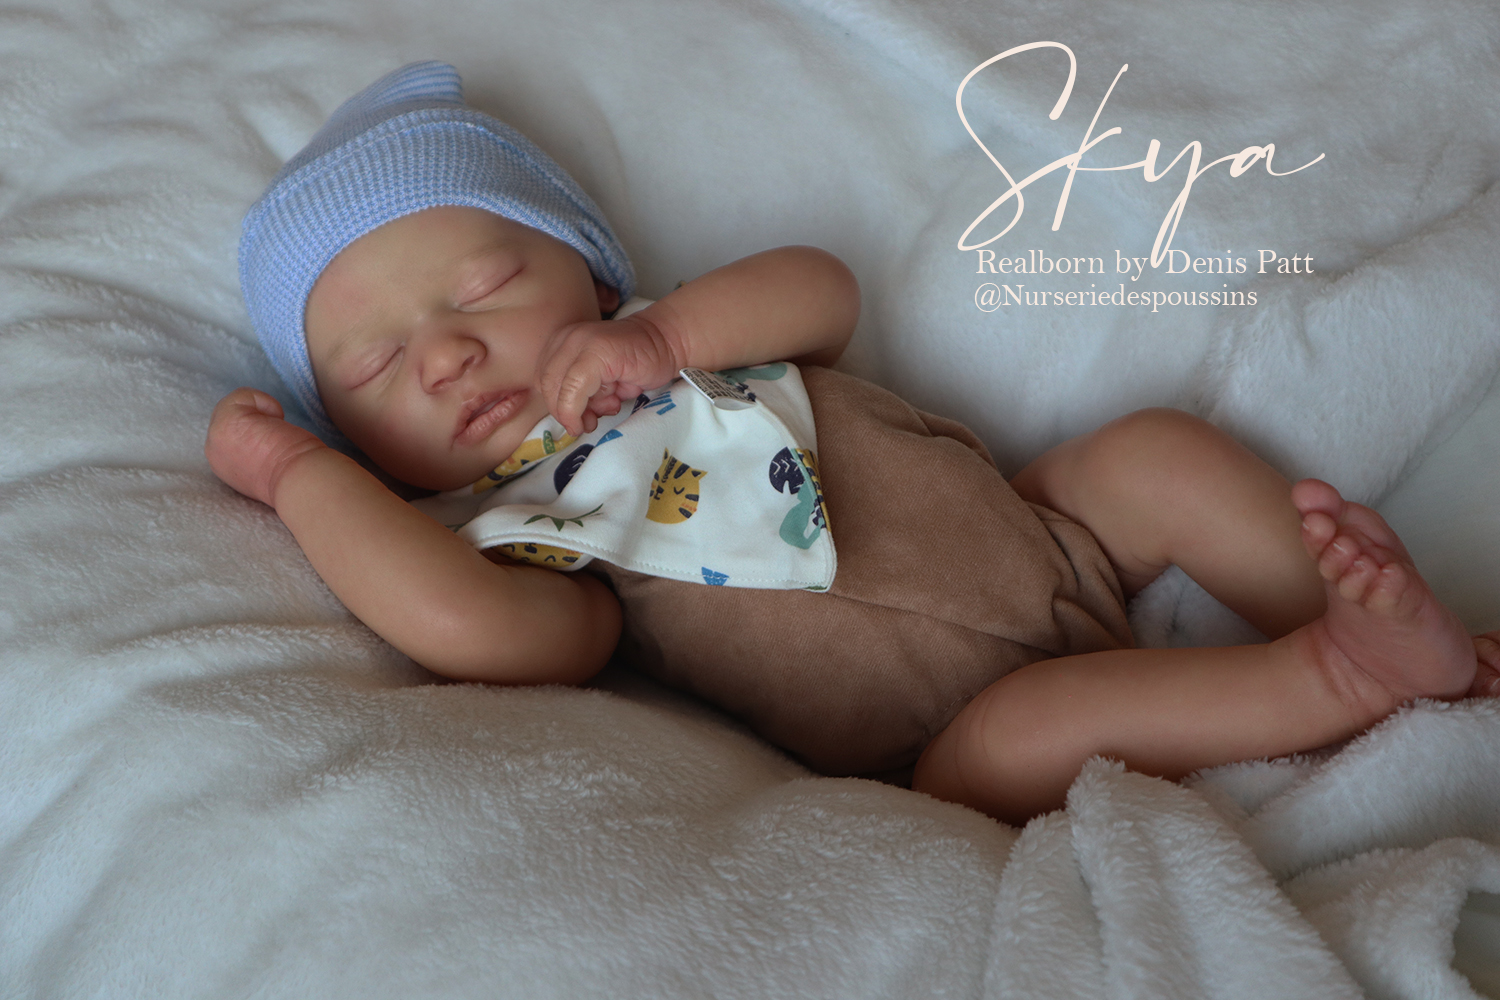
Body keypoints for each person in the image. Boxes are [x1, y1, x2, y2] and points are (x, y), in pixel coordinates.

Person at [210, 62, 1500, 826]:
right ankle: (1336, 677)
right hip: (945, 738)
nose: (443, 353)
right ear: (369, 453)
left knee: (1151, 454)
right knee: (1029, 731)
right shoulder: (540, 536)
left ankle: (1358, 614)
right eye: (375, 368)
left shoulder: (677, 337)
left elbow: (823, 291)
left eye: (486, 285)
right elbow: (465, 627)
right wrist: (295, 475)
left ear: (591, 273)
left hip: (1043, 530)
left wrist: (664, 340)